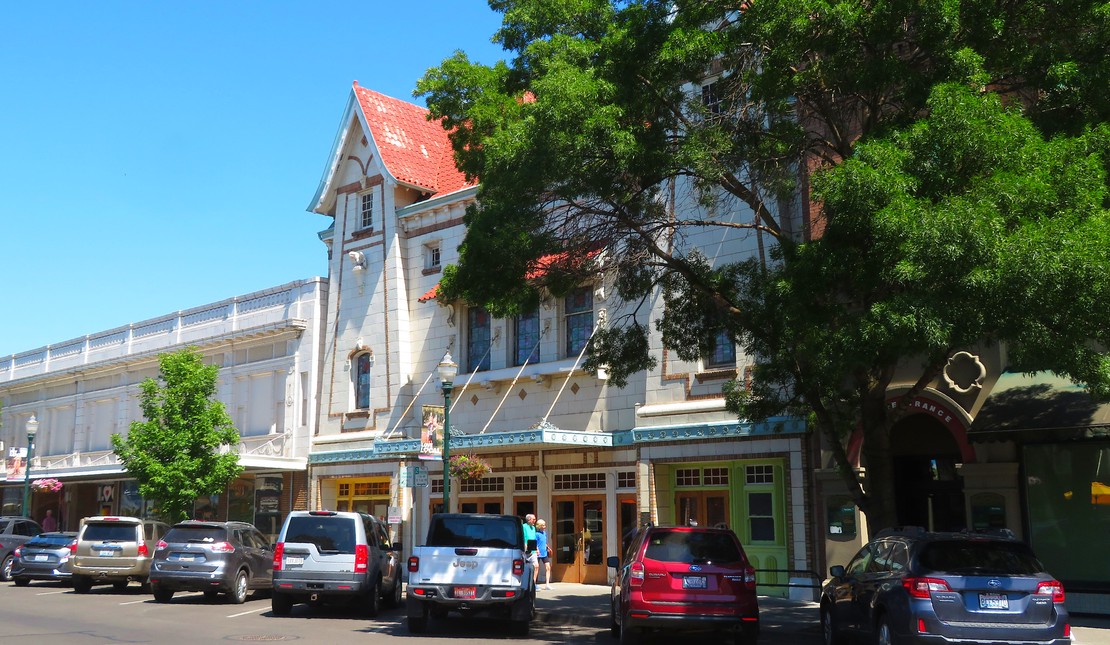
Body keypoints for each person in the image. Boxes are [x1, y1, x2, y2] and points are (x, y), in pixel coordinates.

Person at [522, 514, 539, 581]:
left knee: (536, 566)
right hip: (526, 550)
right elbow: (523, 537)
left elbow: (534, 538)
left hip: (533, 549)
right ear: (529, 519)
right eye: (533, 519)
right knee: (524, 567)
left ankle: (533, 583)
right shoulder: (523, 526)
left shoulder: (533, 528)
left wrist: (537, 548)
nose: (535, 521)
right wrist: (525, 546)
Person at [536, 519, 552, 590]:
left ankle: (547, 584)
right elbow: (535, 543)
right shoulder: (536, 534)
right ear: (539, 526)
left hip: (544, 553)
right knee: (536, 569)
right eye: (543, 525)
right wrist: (537, 550)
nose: (545, 526)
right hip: (538, 553)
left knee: (548, 567)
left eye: (545, 525)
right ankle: (535, 584)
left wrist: (547, 547)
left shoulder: (544, 533)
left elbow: (544, 542)